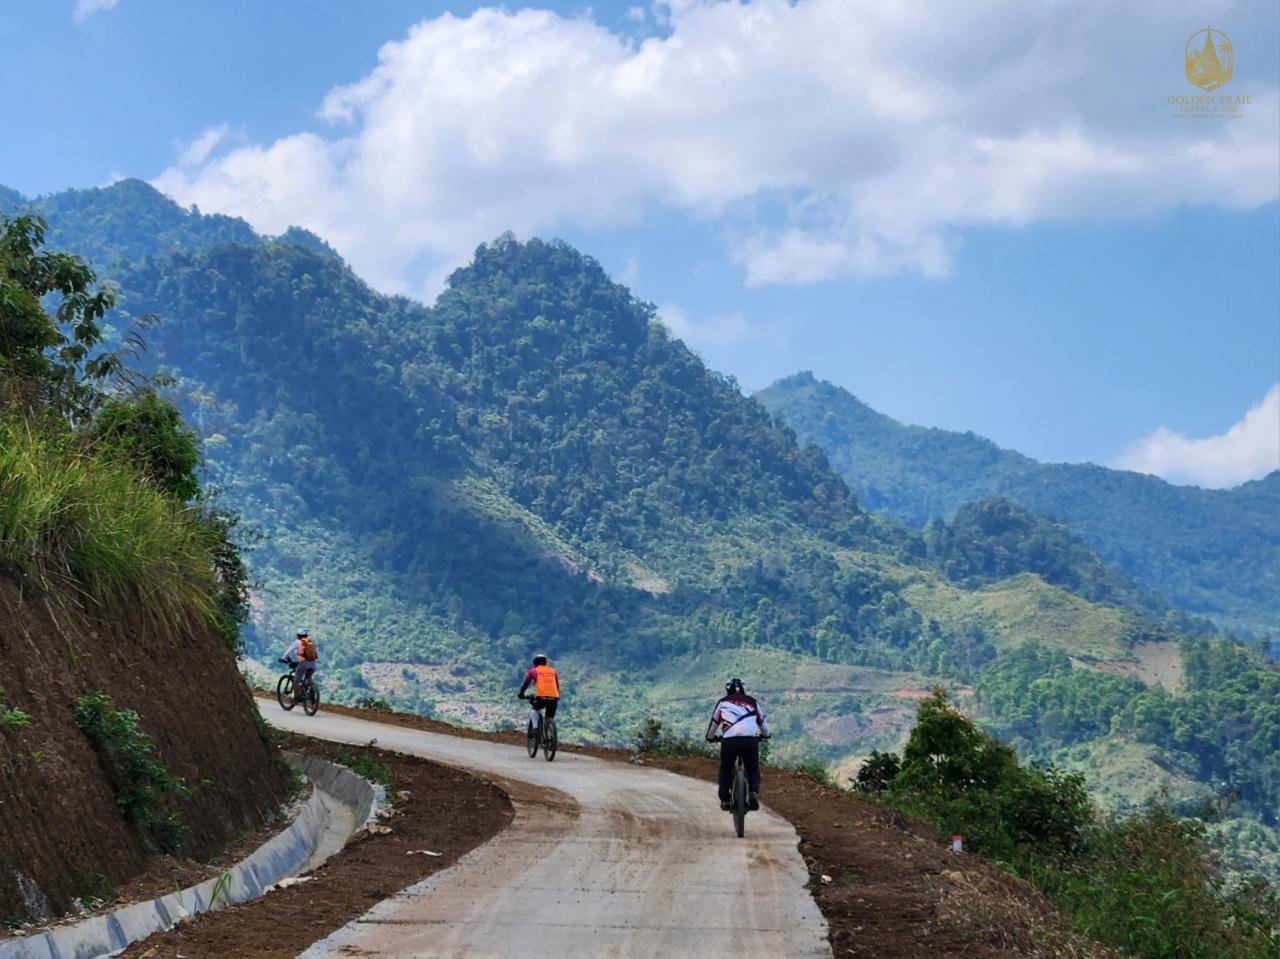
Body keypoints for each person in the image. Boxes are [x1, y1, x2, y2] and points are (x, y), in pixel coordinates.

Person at [705, 677, 770, 811]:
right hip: (750, 740)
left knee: (726, 768)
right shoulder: (753, 702)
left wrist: (710, 737)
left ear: (728, 690)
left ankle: (725, 799)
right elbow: (762, 722)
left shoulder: (723, 702)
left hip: (729, 741)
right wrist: (766, 735)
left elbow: (714, 723)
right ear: (743, 689)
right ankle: (753, 792)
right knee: (753, 768)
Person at [517, 653, 560, 737]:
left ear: (535, 663)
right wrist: (557, 696)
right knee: (549, 717)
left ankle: (535, 728)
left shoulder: (533, 671)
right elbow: (557, 685)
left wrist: (521, 694)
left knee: (535, 709)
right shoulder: (553, 671)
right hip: (554, 698)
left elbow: (526, 684)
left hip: (541, 698)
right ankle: (550, 736)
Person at [280, 629, 319, 701]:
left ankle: (297, 698)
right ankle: (310, 693)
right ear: (306, 636)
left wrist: (283, 658)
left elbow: (289, 651)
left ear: (298, 635)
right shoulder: (310, 642)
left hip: (304, 664)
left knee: (296, 681)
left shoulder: (298, 642)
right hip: (313, 664)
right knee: (308, 678)